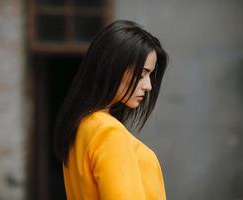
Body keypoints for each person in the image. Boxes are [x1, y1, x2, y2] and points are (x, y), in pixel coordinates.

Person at [54, 20, 168, 199]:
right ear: (114, 67)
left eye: (150, 75)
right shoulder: (109, 132)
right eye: (142, 73)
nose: (149, 86)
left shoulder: (81, 126)